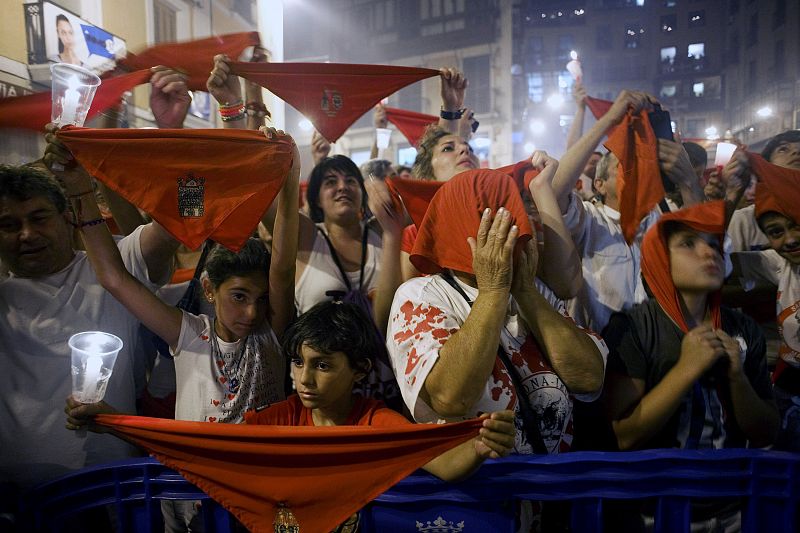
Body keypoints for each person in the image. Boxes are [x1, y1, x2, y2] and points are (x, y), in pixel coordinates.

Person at [65, 301, 516, 532]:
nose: (304, 379)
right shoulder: (278, 419)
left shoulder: (375, 422)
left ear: (359, 369)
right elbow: (199, 442)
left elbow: (444, 464)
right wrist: (111, 419)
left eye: (323, 365)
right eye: (298, 363)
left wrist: (481, 445)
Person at [0, 160, 179, 492]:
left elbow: (181, 220)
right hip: (16, 497)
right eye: (9, 225)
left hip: (109, 489)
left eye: (39, 218)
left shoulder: (115, 267)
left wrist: (99, 161)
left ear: (68, 216)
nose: (27, 234)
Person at [603, 201, 778, 530]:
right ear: (660, 257)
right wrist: (686, 369)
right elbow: (625, 437)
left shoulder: (743, 328)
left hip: (732, 508)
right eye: (688, 243)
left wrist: (737, 378)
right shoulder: (634, 327)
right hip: (654, 510)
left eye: (714, 244)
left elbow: (765, 432)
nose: (709, 252)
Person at [551, 89, 705, 333]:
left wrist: (688, 181)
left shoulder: (665, 216)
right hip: (600, 348)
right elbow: (554, 192)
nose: (635, 169)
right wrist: (610, 119)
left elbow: (705, 254)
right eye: (624, 163)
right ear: (599, 184)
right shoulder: (588, 219)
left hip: (660, 346)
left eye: (639, 161)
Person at [729, 133, 800, 452]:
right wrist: (730, 195)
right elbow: (712, 255)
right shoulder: (780, 264)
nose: (789, 240)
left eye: (796, 224)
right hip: (787, 383)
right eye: (775, 232)